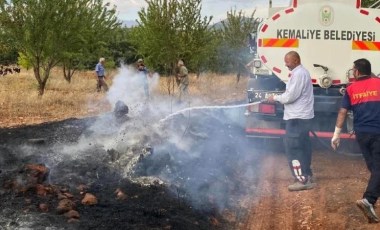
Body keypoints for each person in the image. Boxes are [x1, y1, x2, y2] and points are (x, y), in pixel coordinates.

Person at [331, 58, 380, 223]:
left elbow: (342, 113)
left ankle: (371, 201)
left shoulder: (351, 89)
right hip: (378, 132)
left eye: (353, 70)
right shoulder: (379, 84)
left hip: (362, 135)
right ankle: (369, 200)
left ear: (357, 72)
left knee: (375, 167)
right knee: (378, 168)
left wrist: (336, 135)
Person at [267, 51, 315, 192]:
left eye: (288, 61)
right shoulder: (301, 73)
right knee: (303, 146)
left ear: (296, 60)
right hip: (301, 117)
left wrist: (275, 98)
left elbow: (290, 97)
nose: (286, 64)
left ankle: (302, 179)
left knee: (293, 148)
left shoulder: (299, 74)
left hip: (297, 117)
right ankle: (307, 174)